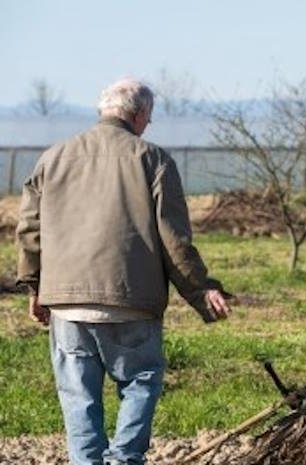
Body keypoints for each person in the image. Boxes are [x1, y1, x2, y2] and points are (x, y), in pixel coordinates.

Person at [15, 78, 232, 465]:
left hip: (67, 304)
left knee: (78, 397)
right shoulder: (153, 159)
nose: (148, 126)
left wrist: (35, 287)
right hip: (130, 300)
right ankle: (125, 460)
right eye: (149, 119)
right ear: (140, 114)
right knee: (141, 381)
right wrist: (201, 290)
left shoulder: (53, 158)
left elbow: (30, 230)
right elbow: (174, 239)